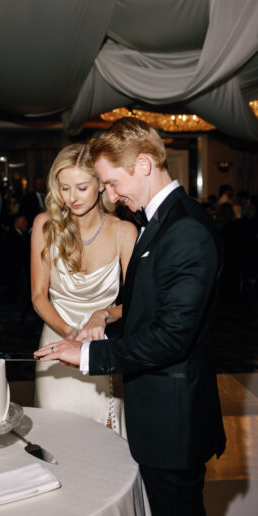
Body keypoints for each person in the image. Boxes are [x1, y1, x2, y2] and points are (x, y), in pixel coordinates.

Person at [35, 118, 226, 516]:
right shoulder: (161, 223)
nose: (110, 194)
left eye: (110, 183)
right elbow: (145, 307)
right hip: (159, 411)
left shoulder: (184, 229)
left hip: (174, 419)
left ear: (143, 165)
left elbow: (172, 337)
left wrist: (87, 356)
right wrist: (106, 317)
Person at [31, 143, 137, 436]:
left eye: (81, 187)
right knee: (58, 435)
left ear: (101, 185)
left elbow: (135, 303)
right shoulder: (44, 226)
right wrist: (68, 334)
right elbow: (38, 296)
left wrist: (103, 315)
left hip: (102, 346)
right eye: (64, 188)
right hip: (56, 340)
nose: (71, 198)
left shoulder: (124, 232)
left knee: (104, 436)